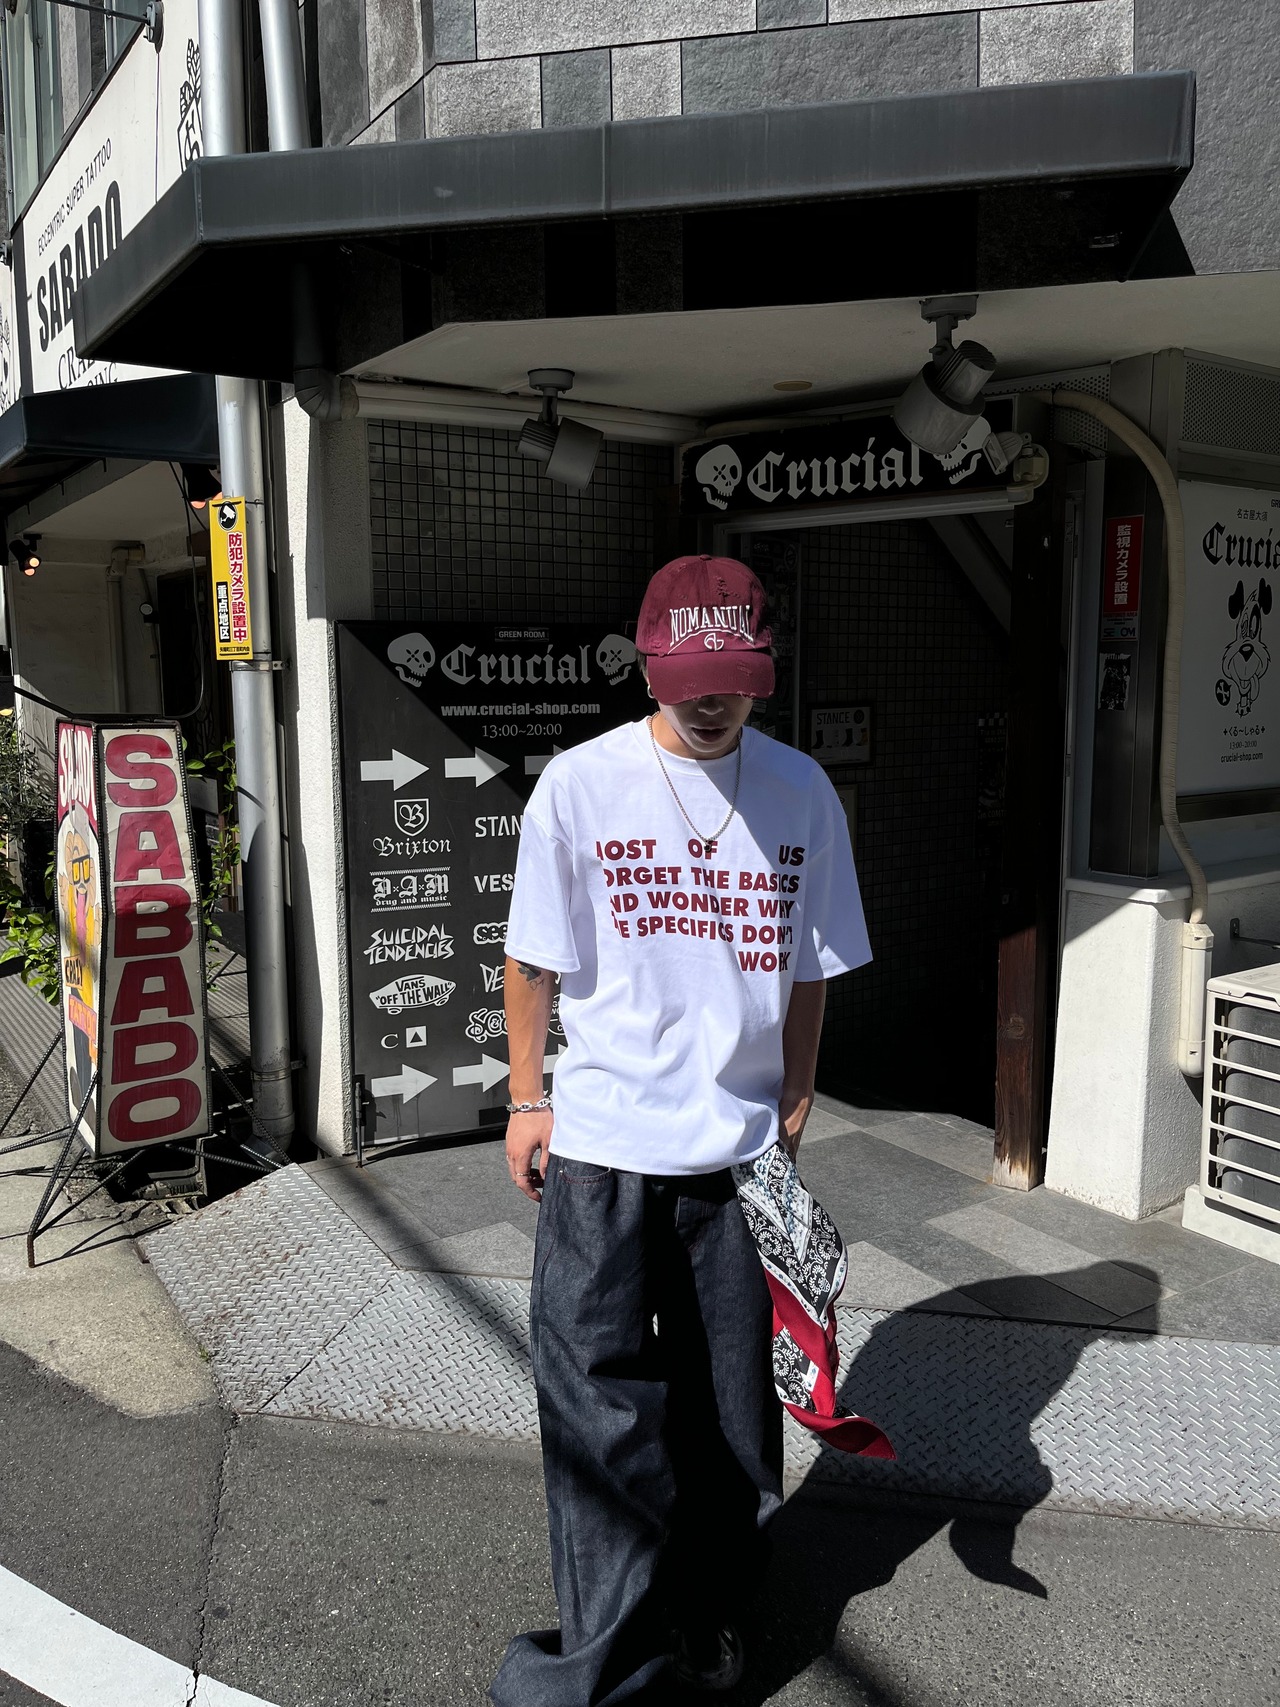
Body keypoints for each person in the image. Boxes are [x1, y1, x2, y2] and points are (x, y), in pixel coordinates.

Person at [490, 555, 872, 1706]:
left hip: (740, 1155)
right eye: (688, 678)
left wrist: (795, 1096)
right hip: (599, 1146)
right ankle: (611, 1658)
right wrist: (526, 1097)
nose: (710, 700)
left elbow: (810, 965)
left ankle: (709, 1611)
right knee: (597, 1412)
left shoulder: (800, 790)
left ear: (762, 666)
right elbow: (532, 953)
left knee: (730, 1418)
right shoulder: (581, 784)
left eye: (732, 678)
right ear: (647, 662)